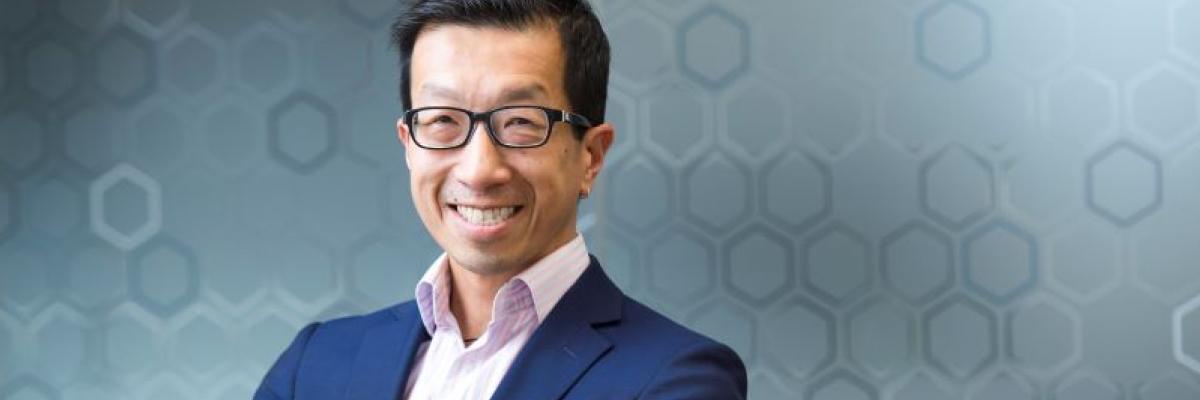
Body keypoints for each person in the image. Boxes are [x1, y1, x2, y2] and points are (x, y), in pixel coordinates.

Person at [253, 0, 747, 398]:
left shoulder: (677, 378)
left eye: (521, 123)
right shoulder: (314, 365)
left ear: (590, 156)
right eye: (444, 120)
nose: (480, 170)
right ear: (408, 145)